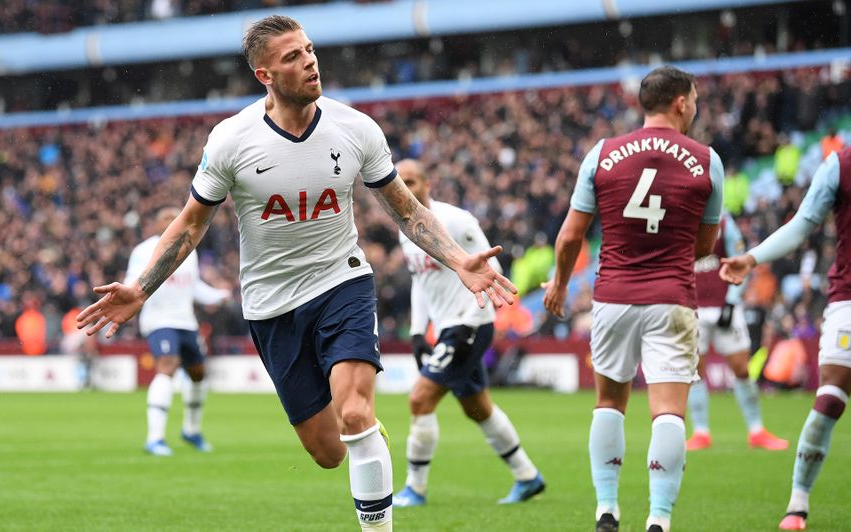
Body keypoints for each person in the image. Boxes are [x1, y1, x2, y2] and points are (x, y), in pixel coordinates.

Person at [76, 15, 516, 531]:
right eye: (292, 56)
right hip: (270, 305)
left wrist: (459, 259)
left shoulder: (355, 128)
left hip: (342, 282)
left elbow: (408, 211)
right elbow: (191, 224)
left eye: (309, 50)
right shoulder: (231, 140)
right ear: (264, 75)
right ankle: (368, 440)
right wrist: (141, 289)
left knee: (355, 415)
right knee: (329, 452)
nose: (309, 61)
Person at [543, 65, 724, 532]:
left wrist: (561, 283)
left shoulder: (602, 154)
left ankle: (606, 510)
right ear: (681, 102)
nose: (697, 107)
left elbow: (569, 238)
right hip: (672, 298)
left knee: (609, 402)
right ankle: (659, 519)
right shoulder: (707, 160)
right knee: (668, 411)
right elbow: (704, 247)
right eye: (696, 100)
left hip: (613, 296)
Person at [390, 159, 545, 508]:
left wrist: (466, 315)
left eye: (412, 181)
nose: (405, 188)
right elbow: (421, 281)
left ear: (428, 185)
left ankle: (415, 488)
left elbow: (494, 267)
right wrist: (417, 332)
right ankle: (527, 476)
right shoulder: (405, 228)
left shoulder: (456, 221)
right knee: (478, 408)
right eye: (400, 182)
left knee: (419, 399)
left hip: (470, 324)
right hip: (447, 328)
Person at [720, 147, 851, 531]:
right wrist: (753, 258)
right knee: (830, 397)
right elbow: (803, 223)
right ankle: (798, 502)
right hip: (849, 298)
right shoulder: (841, 164)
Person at [125, 206, 230, 456]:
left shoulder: (188, 250)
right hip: (159, 321)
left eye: (175, 217)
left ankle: (191, 430)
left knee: (198, 374)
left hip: (186, 322)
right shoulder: (144, 251)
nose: (171, 221)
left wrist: (219, 295)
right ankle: (155, 438)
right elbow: (132, 281)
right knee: (167, 367)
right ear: (155, 224)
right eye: (166, 218)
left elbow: (193, 288)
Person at [687, 212, 789, 451]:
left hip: (725, 306)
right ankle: (701, 432)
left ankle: (756, 430)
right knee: (694, 371)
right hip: (692, 307)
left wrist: (732, 302)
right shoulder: (681, 213)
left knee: (741, 368)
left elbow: (739, 259)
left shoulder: (723, 220)